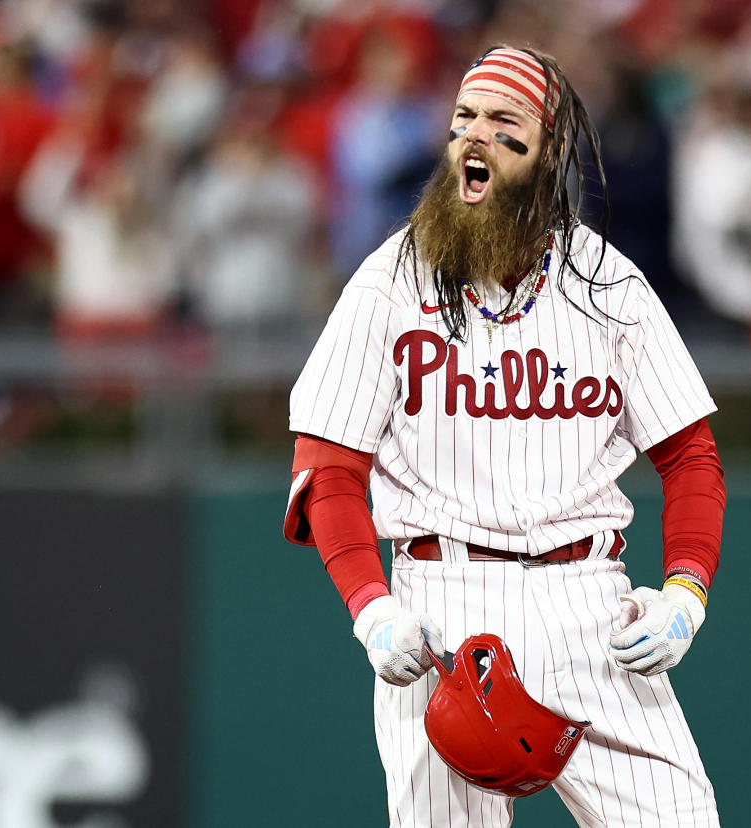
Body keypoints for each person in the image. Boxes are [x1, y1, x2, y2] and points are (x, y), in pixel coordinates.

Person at [284, 45, 725, 828]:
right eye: (462, 119)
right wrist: (371, 609)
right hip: (443, 615)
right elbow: (326, 469)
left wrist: (685, 593)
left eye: (500, 120)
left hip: (592, 609)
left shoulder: (609, 286)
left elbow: (690, 456)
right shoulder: (392, 281)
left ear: (548, 150)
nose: (473, 136)